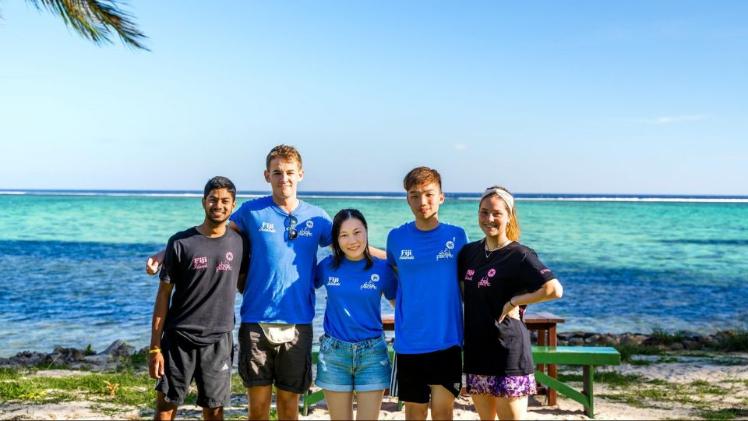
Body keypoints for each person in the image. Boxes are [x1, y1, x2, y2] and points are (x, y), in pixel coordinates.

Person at [147, 145, 336, 420]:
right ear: (266, 176)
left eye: (290, 172)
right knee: (257, 410)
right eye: (277, 172)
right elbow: (211, 233)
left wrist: (390, 261)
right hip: (255, 324)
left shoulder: (318, 217)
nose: (284, 178)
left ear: (301, 174)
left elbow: (350, 249)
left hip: (298, 323)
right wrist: (165, 253)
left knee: (289, 407)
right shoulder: (251, 212)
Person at [459, 186, 563, 420]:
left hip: (508, 351)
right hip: (477, 350)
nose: (489, 219)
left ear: (509, 216)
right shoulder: (469, 252)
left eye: (496, 213)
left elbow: (554, 289)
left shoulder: (519, 254)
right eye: (484, 212)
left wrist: (515, 301)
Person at [148, 176, 248, 421]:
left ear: (233, 206)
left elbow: (246, 285)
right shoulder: (181, 242)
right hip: (179, 337)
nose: (219, 205)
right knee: (166, 406)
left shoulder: (240, 243)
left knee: (214, 410)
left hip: (219, 340)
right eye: (213, 199)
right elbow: (163, 297)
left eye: (225, 201)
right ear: (203, 202)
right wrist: (154, 347)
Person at [386, 166, 469, 420]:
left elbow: (468, 285)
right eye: (414, 195)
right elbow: (391, 275)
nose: (422, 201)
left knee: (443, 412)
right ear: (407, 199)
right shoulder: (396, 238)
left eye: (429, 194)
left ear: (441, 197)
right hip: (410, 342)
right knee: (414, 411)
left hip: (448, 339)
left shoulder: (457, 237)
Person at [314, 209, 397, 420]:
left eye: (358, 232)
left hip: (372, 354)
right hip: (334, 353)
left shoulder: (383, 269)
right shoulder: (326, 267)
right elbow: (299, 289)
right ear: (336, 240)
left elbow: (401, 307)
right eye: (344, 235)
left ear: (367, 233)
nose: (352, 240)